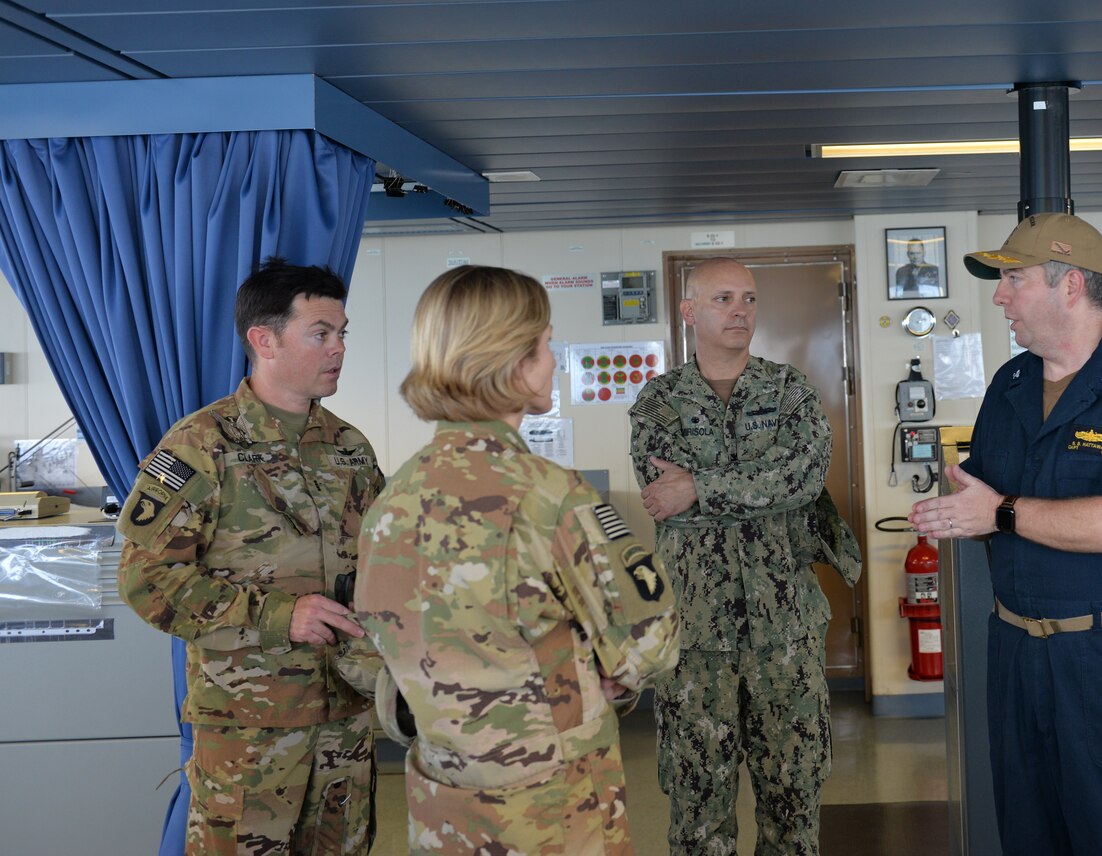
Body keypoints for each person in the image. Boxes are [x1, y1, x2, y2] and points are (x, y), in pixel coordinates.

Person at [354, 265, 680, 855]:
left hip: (442, 798)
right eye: (546, 343)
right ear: (512, 360)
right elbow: (648, 641)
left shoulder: (391, 499)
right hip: (551, 805)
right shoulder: (550, 495)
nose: (553, 359)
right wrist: (599, 676)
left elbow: (378, 649)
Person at [909, 213, 1102, 856]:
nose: (998, 296)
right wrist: (957, 512)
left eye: (1012, 278)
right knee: (1030, 836)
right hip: (1018, 656)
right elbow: (985, 500)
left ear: (1070, 285)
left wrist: (1002, 513)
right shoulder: (1011, 384)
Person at [117, 258, 385, 855]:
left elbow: (384, 564)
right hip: (249, 727)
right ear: (263, 339)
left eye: (343, 333)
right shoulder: (201, 445)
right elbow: (145, 579)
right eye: (321, 333)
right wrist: (277, 615)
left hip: (345, 716)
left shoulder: (349, 447)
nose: (339, 347)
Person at [629, 257, 835, 856]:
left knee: (793, 809)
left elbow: (804, 476)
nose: (740, 309)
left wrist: (701, 486)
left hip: (787, 633)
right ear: (689, 311)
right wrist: (746, 486)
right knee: (698, 814)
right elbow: (662, 497)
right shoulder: (659, 402)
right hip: (695, 639)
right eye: (723, 298)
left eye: (748, 298)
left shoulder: (790, 390)